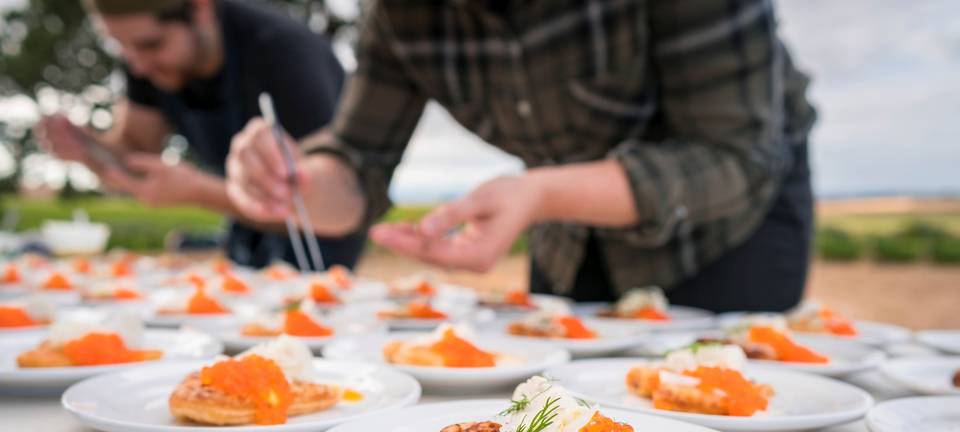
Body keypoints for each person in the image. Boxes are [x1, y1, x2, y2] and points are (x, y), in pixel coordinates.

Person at [225, 0, 817, 311]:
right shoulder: (398, 16)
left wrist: (540, 193)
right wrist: (294, 179)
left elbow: (732, 152)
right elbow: (355, 164)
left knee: (719, 426)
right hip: (561, 220)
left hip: (730, 216)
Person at [38, 0, 363, 269]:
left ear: (200, 9)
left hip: (320, 247)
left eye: (151, 44)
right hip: (245, 232)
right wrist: (90, 151)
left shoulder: (284, 53)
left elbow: (321, 208)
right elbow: (136, 155)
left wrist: (197, 191)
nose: (138, 66)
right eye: (123, 49)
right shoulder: (146, 63)